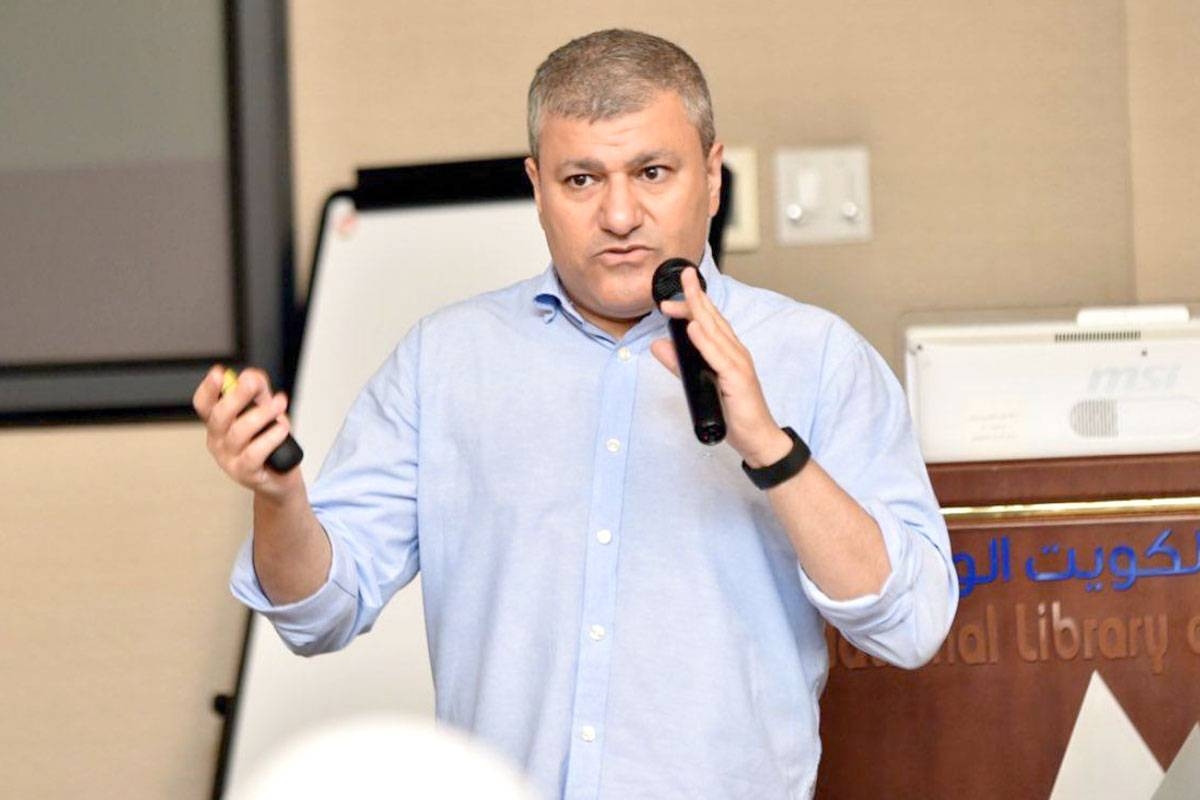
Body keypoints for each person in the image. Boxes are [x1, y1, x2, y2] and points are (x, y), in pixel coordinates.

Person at [193, 28, 957, 800]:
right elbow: (318, 614)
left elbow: (912, 625)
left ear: (712, 174)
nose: (619, 215)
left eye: (652, 172)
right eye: (582, 179)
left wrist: (768, 446)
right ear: (537, 186)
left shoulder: (818, 356)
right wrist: (278, 498)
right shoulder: (444, 361)